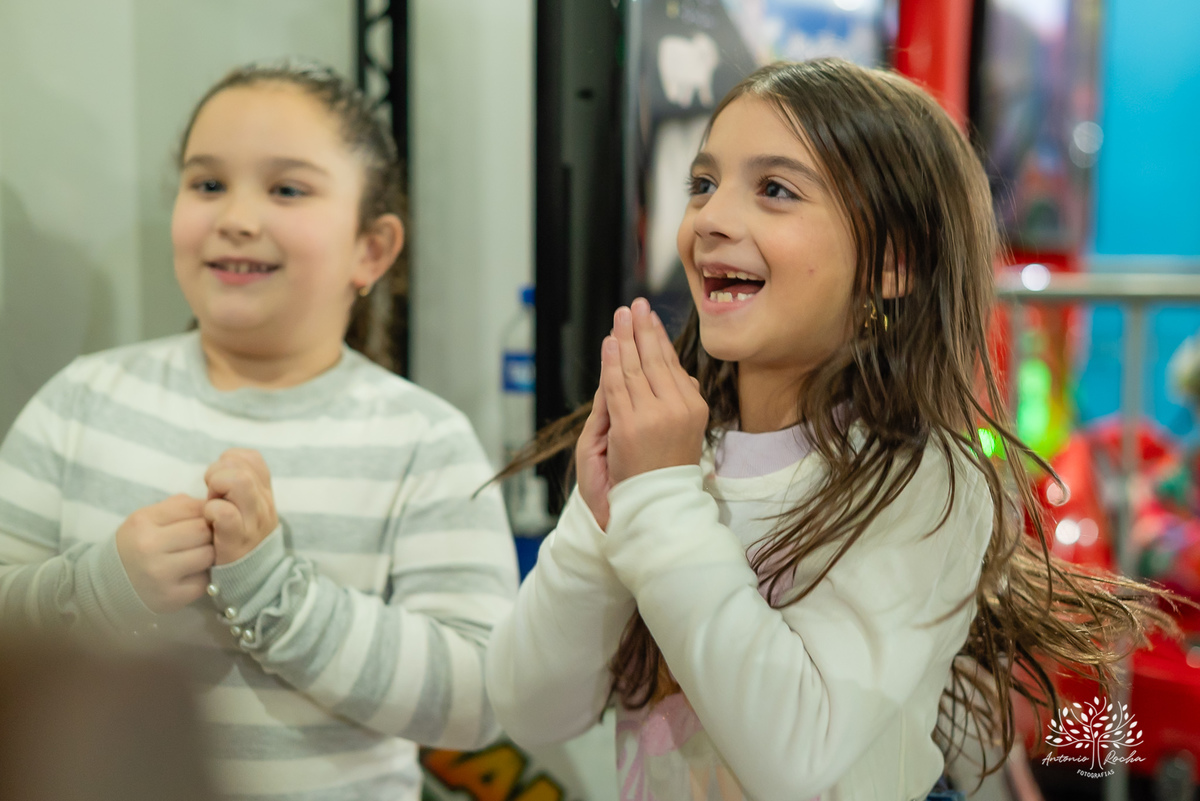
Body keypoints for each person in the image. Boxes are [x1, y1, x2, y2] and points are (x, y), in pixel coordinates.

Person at [485, 58, 1172, 801]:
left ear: (894, 262)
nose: (712, 218)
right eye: (704, 184)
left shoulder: (921, 480)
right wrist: (599, 520)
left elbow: (794, 759)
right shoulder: (677, 456)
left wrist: (657, 497)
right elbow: (532, 706)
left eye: (775, 190)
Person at [0, 60, 519, 800]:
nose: (237, 216)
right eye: (207, 183)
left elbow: (476, 696)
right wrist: (101, 587)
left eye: (287, 189)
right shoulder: (81, 399)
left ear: (371, 248)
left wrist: (279, 595)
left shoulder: (423, 440)